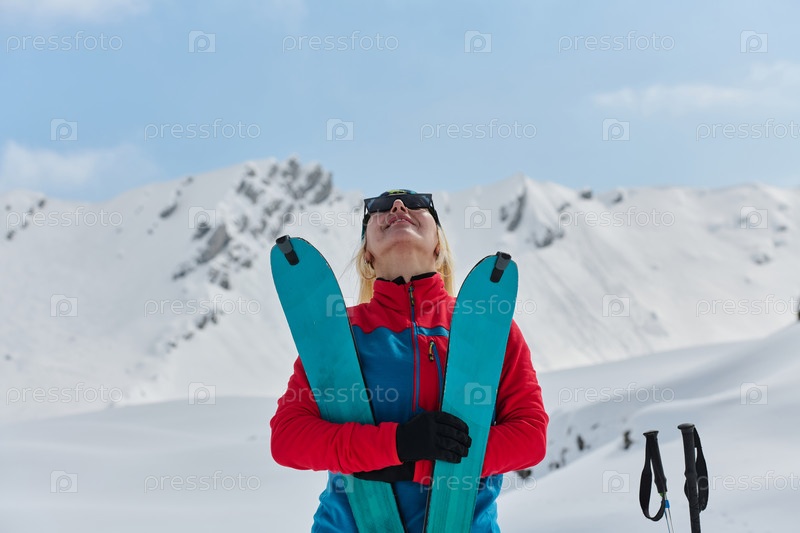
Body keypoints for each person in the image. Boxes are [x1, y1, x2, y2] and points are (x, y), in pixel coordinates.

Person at [270, 189, 548, 531]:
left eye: (418, 204)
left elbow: (530, 437)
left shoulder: (487, 327)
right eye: (379, 208)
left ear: (438, 244)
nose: (398, 206)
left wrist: (419, 464)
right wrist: (398, 443)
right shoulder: (341, 333)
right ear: (367, 254)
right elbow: (288, 439)